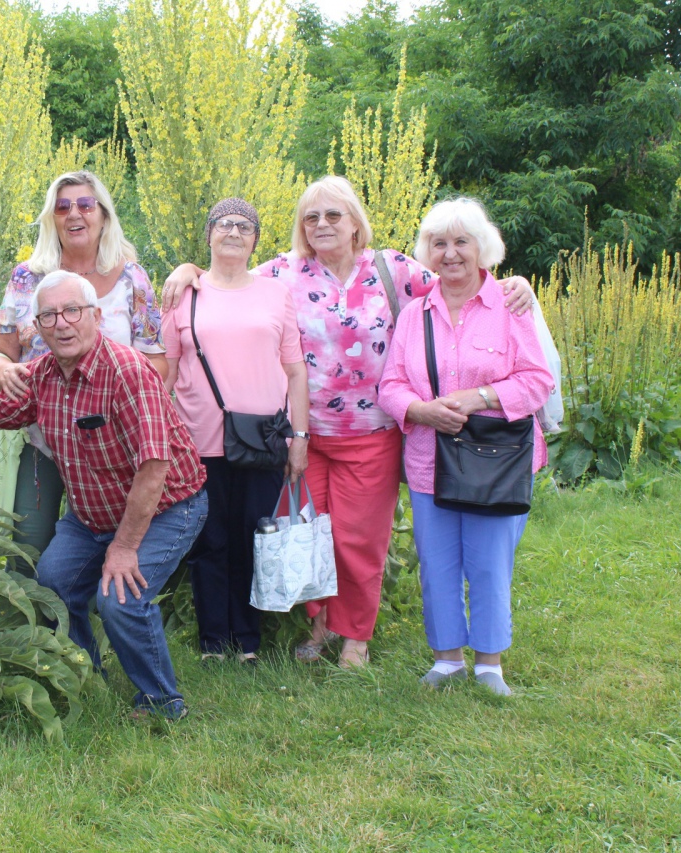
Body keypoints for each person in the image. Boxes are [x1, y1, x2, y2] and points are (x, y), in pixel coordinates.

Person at [162, 176, 533, 668]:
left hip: (372, 432)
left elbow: (457, 281)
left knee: (359, 539)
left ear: (356, 222)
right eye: (311, 217)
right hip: (302, 436)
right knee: (311, 534)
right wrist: (187, 268)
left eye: (333, 215)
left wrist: (512, 282)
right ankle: (318, 625)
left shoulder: (393, 269)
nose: (321, 225)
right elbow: (228, 279)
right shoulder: (284, 274)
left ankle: (355, 635)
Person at [0, 271, 207, 720]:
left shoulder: (128, 372)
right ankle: (88, 676)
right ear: (37, 328)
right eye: (49, 316)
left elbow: (154, 468)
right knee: (53, 584)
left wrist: (124, 547)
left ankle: (162, 702)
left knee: (121, 599)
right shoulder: (43, 377)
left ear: (96, 317)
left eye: (72, 312)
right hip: (92, 518)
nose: (62, 324)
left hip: (167, 508)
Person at [378, 198, 552, 696]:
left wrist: (481, 397)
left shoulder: (512, 305)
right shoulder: (414, 315)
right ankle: (447, 658)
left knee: (489, 562)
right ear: (427, 252)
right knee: (437, 562)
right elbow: (391, 384)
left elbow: (538, 381)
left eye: (461, 242)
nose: (450, 253)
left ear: (482, 249)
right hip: (430, 458)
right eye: (439, 243)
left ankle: (489, 664)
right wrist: (419, 410)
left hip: (497, 461)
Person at [0, 171, 165, 575]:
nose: (74, 214)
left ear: (103, 215)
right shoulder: (27, 276)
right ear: (52, 218)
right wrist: (4, 371)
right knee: (29, 544)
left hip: (113, 443)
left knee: (112, 544)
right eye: (62, 207)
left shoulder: (131, 278)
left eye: (85, 205)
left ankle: (102, 625)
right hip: (43, 438)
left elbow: (157, 361)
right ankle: (33, 631)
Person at [162, 198, 310, 664]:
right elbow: (165, 372)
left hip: (262, 439)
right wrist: (162, 438)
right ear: (208, 234)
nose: (233, 232)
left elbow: (296, 371)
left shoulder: (275, 294)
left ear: (255, 241)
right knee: (208, 541)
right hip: (196, 439)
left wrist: (300, 438)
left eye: (244, 226)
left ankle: (247, 641)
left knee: (252, 538)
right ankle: (212, 642)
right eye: (223, 224)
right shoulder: (183, 292)